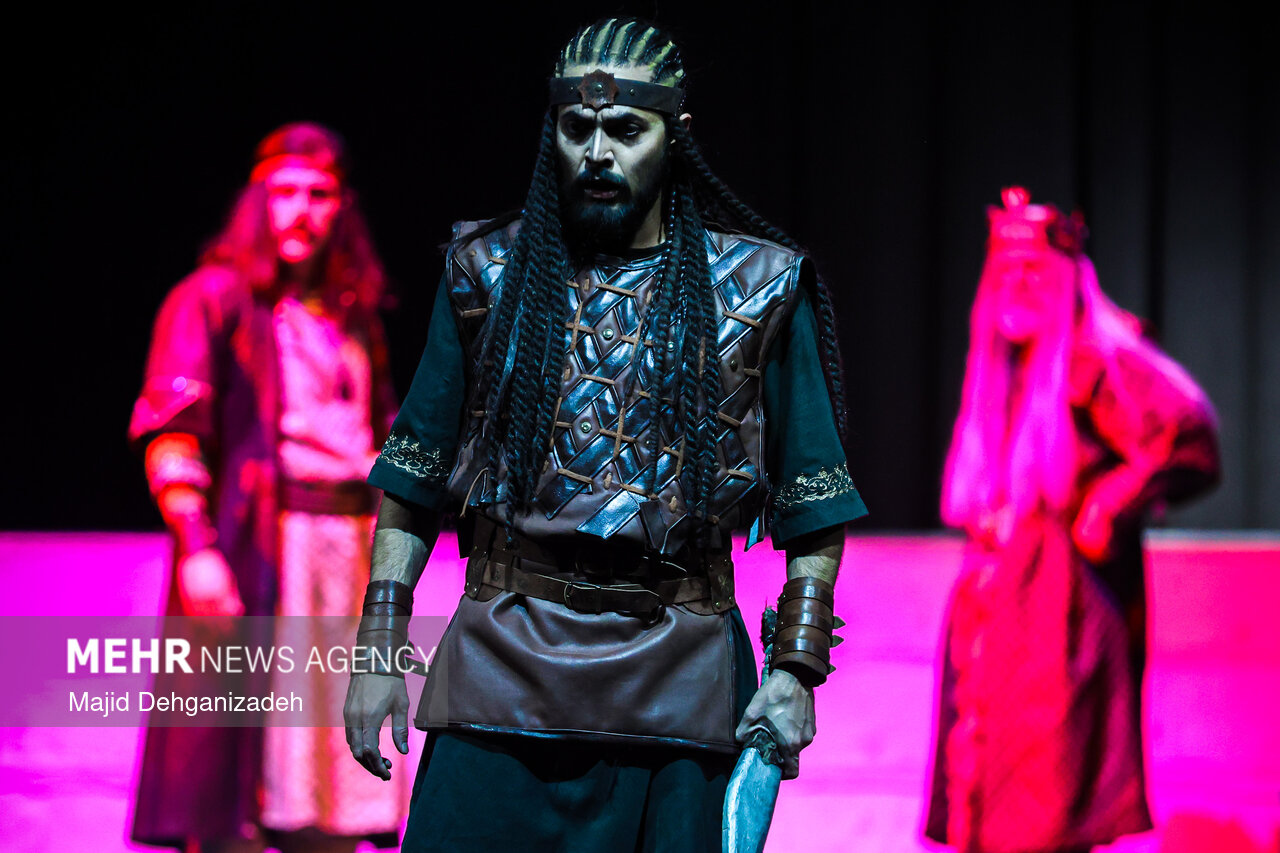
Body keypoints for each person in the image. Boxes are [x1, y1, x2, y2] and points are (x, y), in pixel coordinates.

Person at [343, 17, 868, 852]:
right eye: (576, 127)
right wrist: (377, 648)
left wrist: (796, 671)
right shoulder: (486, 272)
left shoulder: (762, 287)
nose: (597, 152)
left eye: (626, 129)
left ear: (675, 135)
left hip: (681, 677)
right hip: (500, 664)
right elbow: (411, 481)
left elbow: (813, 504)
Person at [129, 123, 407, 853]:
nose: (301, 211)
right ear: (258, 200)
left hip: (350, 556)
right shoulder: (213, 298)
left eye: (319, 194)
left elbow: (380, 434)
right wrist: (197, 547)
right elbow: (174, 434)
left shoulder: (353, 313)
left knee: (339, 797)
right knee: (250, 787)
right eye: (284, 192)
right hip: (269, 551)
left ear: (342, 206)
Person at [925, 187, 1222, 852]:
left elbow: (1188, 434)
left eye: (1034, 269)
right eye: (1005, 268)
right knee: (988, 809)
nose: (1018, 283)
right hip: (999, 615)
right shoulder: (1004, 367)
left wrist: (1108, 503)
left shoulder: (1092, 358)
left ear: (1064, 277)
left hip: (1062, 622)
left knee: (1046, 810)